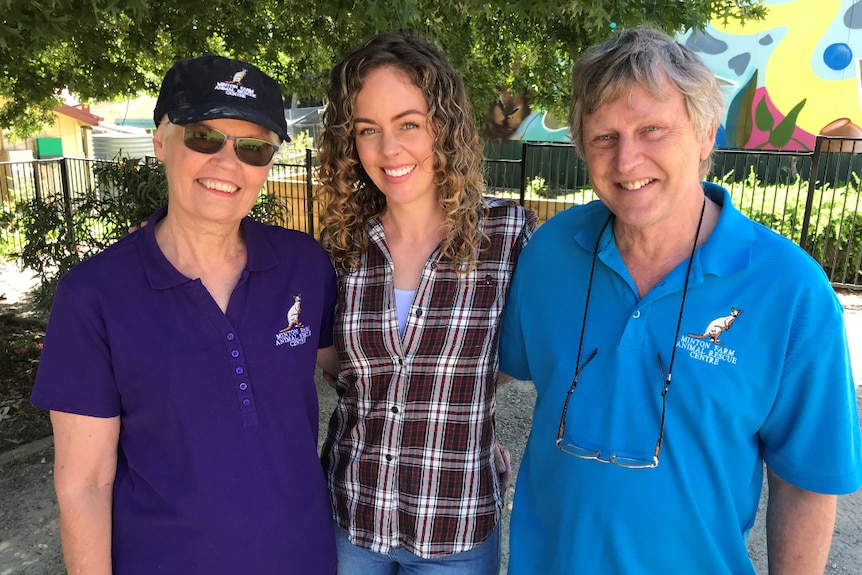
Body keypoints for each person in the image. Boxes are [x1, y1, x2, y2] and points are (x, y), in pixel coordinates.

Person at [498, 26, 862, 574]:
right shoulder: (549, 251)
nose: (626, 160)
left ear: (705, 135)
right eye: (604, 137)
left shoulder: (792, 292)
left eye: (652, 130)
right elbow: (488, 372)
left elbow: (806, 483)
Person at [31, 55, 337, 574]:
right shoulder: (95, 294)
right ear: (160, 141)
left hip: (304, 558)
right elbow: (85, 484)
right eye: (203, 136)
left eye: (253, 147)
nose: (227, 161)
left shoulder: (304, 264)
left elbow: (361, 377)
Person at [315, 30, 536, 574]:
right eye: (369, 130)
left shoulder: (507, 235)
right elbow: (330, 359)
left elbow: (524, 350)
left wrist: (457, 387)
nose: (389, 150)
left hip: (456, 521)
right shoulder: (342, 242)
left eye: (409, 124)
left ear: (446, 125)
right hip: (353, 515)